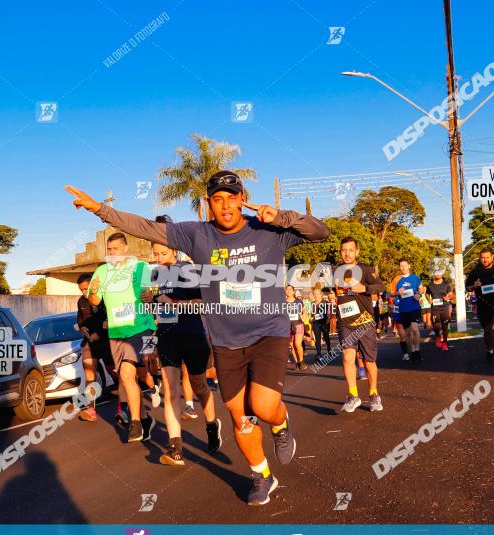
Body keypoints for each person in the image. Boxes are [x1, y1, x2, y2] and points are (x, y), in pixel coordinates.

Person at [65, 170, 329, 505]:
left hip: (268, 333)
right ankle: (261, 475)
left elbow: (321, 232)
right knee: (239, 417)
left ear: (242, 197)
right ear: (209, 204)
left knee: (263, 406)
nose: (226, 206)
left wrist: (283, 216)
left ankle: (280, 423)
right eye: (217, 200)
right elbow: (146, 227)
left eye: (232, 198)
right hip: (226, 342)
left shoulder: (269, 230)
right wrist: (100, 209)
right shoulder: (197, 235)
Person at [148, 218, 222, 465]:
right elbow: (157, 311)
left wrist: (176, 304)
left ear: (174, 249)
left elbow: (206, 302)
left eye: (163, 252)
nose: (159, 258)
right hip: (167, 338)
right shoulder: (155, 274)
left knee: (200, 386)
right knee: (171, 391)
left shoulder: (188, 270)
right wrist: (149, 302)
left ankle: (212, 425)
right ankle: (176, 449)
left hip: (193, 335)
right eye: (155, 253)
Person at [85, 232, 156, 443]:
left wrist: (149, 295)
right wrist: (94, 292)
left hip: (140, 326)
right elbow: (94, 301)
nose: (112, 253)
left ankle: (134, 423)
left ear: (126, 248)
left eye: (116, 249)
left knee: (126, 373)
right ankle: (144, 419)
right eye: (109, 250)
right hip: (116, 332)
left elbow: (150, 293)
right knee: (127, 377)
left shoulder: (140, 267)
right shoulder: (102, 270)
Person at [328, 237, 384, 413]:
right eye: (344, 250)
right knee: (347, 357)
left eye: (351, 250)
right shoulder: (335, 271)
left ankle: (374, 394)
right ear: (340, 252)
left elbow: (380, 286)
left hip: (365, 322)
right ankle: (353, 395)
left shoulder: (365, 270)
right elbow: (331, 291)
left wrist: (365, 289)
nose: (347, 253)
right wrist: (331, 297)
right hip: (345, 323)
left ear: (357, 252)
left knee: (369, 363)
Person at [76, 273, 113, 422]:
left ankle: (127, 400)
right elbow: (80, 319)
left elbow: (110, 318)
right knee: (89, 375)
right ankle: (91, 409)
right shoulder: (81, 301)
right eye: (81, 290)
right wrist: (81, 328)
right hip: (89, 343)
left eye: (86, 288)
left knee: (115, 372)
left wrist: (100, 333)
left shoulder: (104, 298)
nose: (84, 292)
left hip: (106, 342)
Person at [465, 248, 494, 362]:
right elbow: (468, 287)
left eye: (487, 257)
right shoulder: (476, 271)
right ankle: (489, 350)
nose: (485, 260)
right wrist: (474, 285)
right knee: (487, 330)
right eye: (483, 258)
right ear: (480, 258)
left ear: (492, 257)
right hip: (483, 304)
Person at [393, 259, 424, 363]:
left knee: (415, 329)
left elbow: (421, 289)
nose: (403, 268)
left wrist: (419, 295)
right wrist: (398, 292)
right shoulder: (398, 281)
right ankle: (413, 351)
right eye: (401, 266)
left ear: (409, 266)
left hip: (414, 307)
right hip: (403, 309)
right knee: (408, 332)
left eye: (405, 266)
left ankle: (418, 351)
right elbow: (393, 293)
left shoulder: (415, 278)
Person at [426, 269, 453, 351]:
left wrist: (448, 297)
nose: (437, 275)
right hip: (435, 308)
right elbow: (427, 293)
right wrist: (428, 299)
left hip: (445, 307)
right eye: (436, 273)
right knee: (436, 324)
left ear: (442, 274)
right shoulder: (430, 285)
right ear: (434, 274)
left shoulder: (446, 285)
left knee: (445, 326)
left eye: (439, 273)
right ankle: (438, 336)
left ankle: (445, 342)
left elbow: (451, 296)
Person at [286, 285, 306, 370]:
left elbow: (304, 310)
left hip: (298, 325)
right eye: (287, 289)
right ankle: (297, 362)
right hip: (287, 326)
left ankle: (301, 362)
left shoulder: (298, 301)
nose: (289, 291)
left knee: (297, 344)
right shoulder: (283, 302)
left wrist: (304, 316)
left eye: (290, 289)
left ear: (293, 291)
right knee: (292, 345)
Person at [310, 286, 333, 358]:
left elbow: (330, 313)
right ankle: (318, 354)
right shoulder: (312, 303)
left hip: (325, 323)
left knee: (326, 337)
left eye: (317, 294)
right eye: (314, 294)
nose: (315, 295)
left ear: (321, 295)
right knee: (317, 338)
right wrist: (311, 317)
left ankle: (329, 351)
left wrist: (328, 318)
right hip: (316, 323)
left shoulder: (326, 303)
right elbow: (312, 314)